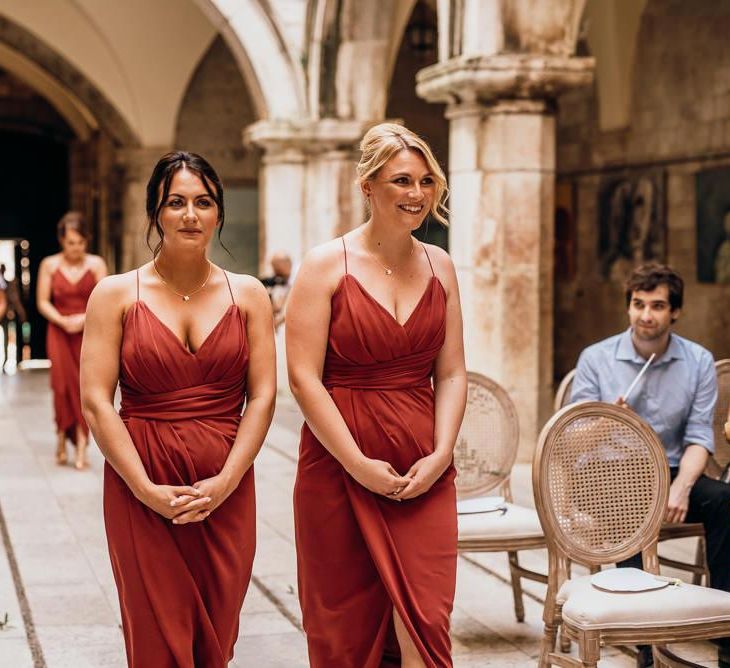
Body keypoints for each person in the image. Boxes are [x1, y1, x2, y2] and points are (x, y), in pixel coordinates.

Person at [80, 151, 276, 667]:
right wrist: (144, 488)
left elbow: (263, 397)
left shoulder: (250, 295)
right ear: (156, 214)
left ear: (218, 213)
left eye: (203, 202)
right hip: (140, 481)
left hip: (227, 485)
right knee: (155, 632)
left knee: (219, 628)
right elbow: (97, 403)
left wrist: (228, 480)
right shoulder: (114, 294)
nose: (191, 214)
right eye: (176, 202)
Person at [287, 123, 467, 667]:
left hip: (423, 466)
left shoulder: (442, 266)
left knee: (426, 618)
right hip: (338, 467)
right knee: (345, 623)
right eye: (401, 181)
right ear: (368, 188)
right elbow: (303, 377)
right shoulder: (325, 265)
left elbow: (454, 372)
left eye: (425, 181)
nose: (416, 194)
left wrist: (440, 456)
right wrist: (357, 463)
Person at [571, 263, 730, 668]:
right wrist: (608, 417)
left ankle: (726, 631)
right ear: (628, 307)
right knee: (633, 500)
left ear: (674, 311)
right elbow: (571, 442)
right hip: (606, 474)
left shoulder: (697, 361)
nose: (646, 315)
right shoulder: (596, 358)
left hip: (672, 469)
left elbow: (699, 437)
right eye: (638, 304)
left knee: (725, 500)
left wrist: (681, 488)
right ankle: (643, 640)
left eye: (657, 306)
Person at [37, 213, 107, 468]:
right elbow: (42, 301)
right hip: (58, 330)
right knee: (61, 387)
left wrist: (83, 318)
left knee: (83, 387)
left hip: (88, 331)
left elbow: (104, 299)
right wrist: (62, 320)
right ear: (61, 241)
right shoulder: (49, 265)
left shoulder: (97, 264)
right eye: (70, 243)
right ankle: (59, 437)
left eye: (79, 243)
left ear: (86, 240)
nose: (75, 248)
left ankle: (81, 445)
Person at [1, 263, 28, 373]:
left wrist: (21, 313)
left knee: (7, 338)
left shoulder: (9, 284)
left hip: (6, 315)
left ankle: (6, 361)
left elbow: (14, 299)